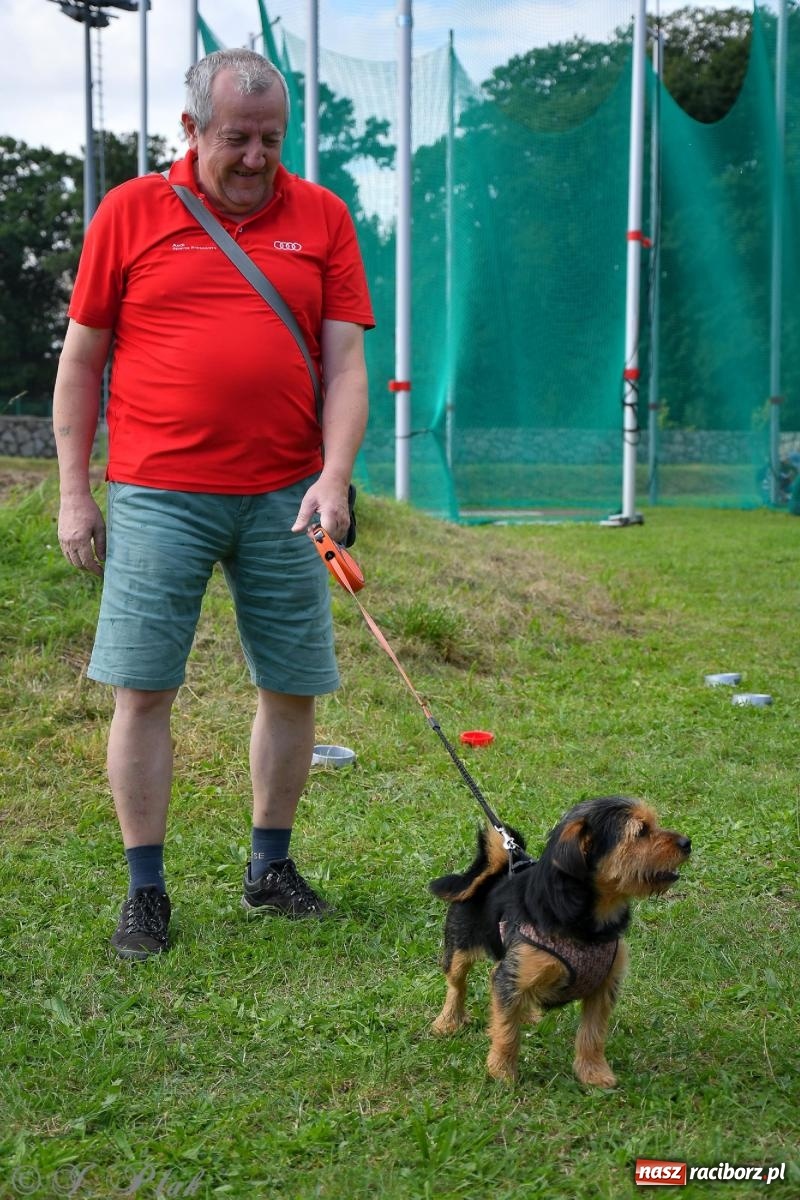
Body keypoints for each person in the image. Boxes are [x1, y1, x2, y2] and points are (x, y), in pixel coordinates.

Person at [52, 48, 374, 961]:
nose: (255, 156)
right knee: (144, 687)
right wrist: (76, 496)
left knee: (293, 685)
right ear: (190, 129)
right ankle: (145, 890)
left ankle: (269, 868)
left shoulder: (321, 217)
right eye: (237, 137)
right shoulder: (129, 213)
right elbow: (80, 363)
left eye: (271, 138)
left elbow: (346, 364)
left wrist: (334, 477)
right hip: (160, 493)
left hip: (287, 494)